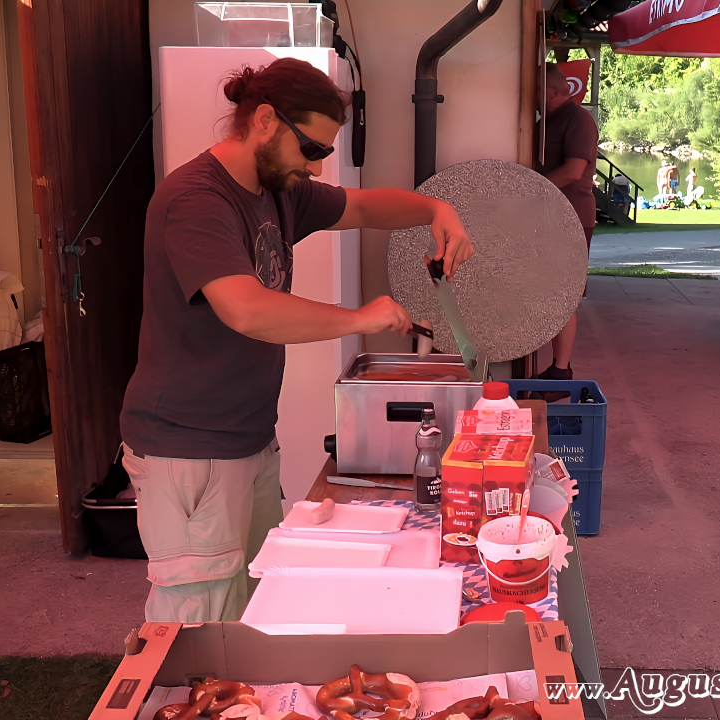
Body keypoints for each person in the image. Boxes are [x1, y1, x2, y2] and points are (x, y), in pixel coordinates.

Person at [119, 59, 474, 623]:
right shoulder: (197, 200)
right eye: (311, 149)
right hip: (188, 447)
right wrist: (360, 317)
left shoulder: (278, 190)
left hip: (248, 437)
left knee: (257, 606)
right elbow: (247, 310)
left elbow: (363, 207)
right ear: (264, 120)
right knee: (196, 623)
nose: (317, 166)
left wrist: (437, 209)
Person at [535, 63, 599, 386]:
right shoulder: (544, 123)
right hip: (549, 216)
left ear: (557, 92)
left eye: (536, 91)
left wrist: (532, 188)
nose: (531, 98)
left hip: (572, 215)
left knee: (563, 294)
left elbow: (574, 170)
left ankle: (561, 369)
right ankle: (555, 368)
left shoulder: (579, 120)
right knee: (550, 293)